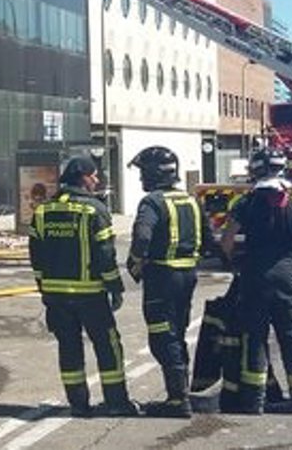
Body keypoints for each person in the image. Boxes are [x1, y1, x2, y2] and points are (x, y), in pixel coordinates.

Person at [29, 156, 140, 418]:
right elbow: (105, 255)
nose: (97, 180)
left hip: (56, 296)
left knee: (69, 348)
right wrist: (115, 287)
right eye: (94, 175)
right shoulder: (94, 210)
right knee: (107, 345)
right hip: (90, 295)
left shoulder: (43, 211)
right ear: (83, 177)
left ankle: (78, 404)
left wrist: (44, 289)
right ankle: (116, 402)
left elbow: (36, 257)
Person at [219, 148, 292, 414]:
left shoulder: (245, 203)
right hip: (287, 276)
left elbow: (227, 242)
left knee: (254, 337)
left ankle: (254, 400)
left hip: (255, 275)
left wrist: (235, 262)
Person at [126, 146, 208, 418]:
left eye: (142, 174)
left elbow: (142, 237)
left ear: (153, 174)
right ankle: (179, 393)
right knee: (178, 332)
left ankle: (177, 400)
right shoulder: (191, 201)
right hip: (188, 276)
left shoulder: (152, 202)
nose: (140, 180)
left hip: (162, 278)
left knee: (163, 336)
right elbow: (209, 240)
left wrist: (136, 262)